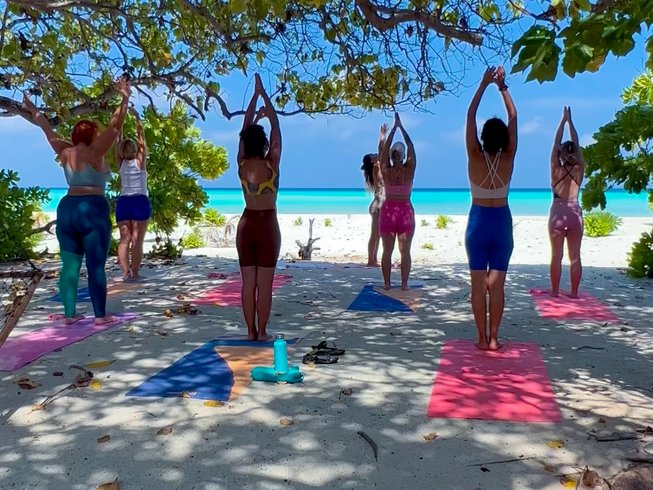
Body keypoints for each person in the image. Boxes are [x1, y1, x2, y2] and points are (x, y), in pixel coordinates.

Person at [23, 78, 131, 324]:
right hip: (92, 208)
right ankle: (100, 317)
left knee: (70, 266)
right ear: (93, 135)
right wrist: (124, 97)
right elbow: (115, 128)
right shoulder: (95, 151)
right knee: (95, 266)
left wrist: (31, 107)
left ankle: (70, 314)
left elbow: (44, 126)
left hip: (68, 208)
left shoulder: (65, 151)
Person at [464, 66, 517, 351]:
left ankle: (481, 339)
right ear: (505, 138)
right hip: (501, 222)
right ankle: (495, 338)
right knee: (496, 285)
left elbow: (470, 115)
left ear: (483, 137)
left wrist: (484, 83)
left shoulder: (474, 156)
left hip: (478, 222)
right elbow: (514, 117)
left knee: (477, 285)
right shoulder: (508, 157)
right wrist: (502, 87)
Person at [236, 74, 282, 341]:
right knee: (264, 286)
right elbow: (277, 132)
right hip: (267, 225)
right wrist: (266, 99)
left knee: (248, 284)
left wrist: (254, 100)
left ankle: (250, 331)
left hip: (247, 224)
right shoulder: (271, 163)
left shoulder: (242, 163)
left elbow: (244, 129)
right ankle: (262, 331)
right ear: (263, 145)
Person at [379, 113, 417, 291]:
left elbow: (384, 151)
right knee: (405, 251)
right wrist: (401, 128)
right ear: (402, 156)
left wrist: (392, 131)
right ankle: (404, 284)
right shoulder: (409, 169)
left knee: (387, 251)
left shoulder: (385, 169)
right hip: (405, 212)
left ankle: (387, 284)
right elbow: (411, 146)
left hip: (388, 211)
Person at [549, 106, 584, 298]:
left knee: (556, 255)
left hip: (558, 213)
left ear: (561, 154)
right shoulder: (579, 168)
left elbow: (556, 144)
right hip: (574, 212)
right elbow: (576, 145)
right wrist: (571, 122)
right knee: (575, 256)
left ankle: (555, 291)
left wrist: (563, 121)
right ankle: (574, 292)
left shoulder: (556, 168)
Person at [115, 107, 151, 282]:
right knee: (137, 240)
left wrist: (120, 121)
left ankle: (126, 273)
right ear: (134, 149)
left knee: (124, 239)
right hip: (139, 201)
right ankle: (135, 273)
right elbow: (142, 141)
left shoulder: (120, 162)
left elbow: (117, 140)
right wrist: (137, 119)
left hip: (123, 203)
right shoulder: (139, 161)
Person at [361, 125, 387, 267]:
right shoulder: (377, 168)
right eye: (374, 156)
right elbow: (382, 149)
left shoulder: (379, 168)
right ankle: (371, 260)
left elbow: (382, 151)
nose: (376, 155)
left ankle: (374, 259)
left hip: (380, 204)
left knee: (378, 234)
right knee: (375, 234)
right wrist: (382, 135)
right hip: (378, 205)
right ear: (372, 161)